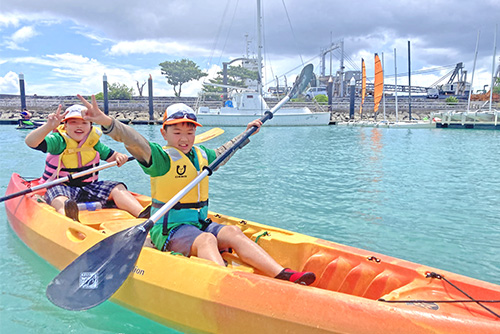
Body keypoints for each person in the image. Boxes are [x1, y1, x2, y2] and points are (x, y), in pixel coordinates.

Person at [77, 94, 316, 285]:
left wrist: (247, 132)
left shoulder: (201, 155)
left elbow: (224, 152)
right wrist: (107, 123)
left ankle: (282, 274)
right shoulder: (159, 158)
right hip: (169, 230)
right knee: (206, 241)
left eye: (190, 132)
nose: (184, 138)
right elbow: (134, 140)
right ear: (164, 133)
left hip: (199, 223)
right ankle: (228, 285)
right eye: (177, 132)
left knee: (232, 232)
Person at [25, 104, 148, 222]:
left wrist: (119, 157)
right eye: (73, 122)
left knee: (117, 187)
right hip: (62, 186)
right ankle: (69, 221)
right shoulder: (59, 141)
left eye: (84, 122)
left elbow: (112, 156)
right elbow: (31, 142)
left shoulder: (93, 143)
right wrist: (48, 126)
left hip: (89, 187)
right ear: (65, 125)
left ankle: (142, 215)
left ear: (90, 126)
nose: (79, 126)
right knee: (59, 198)